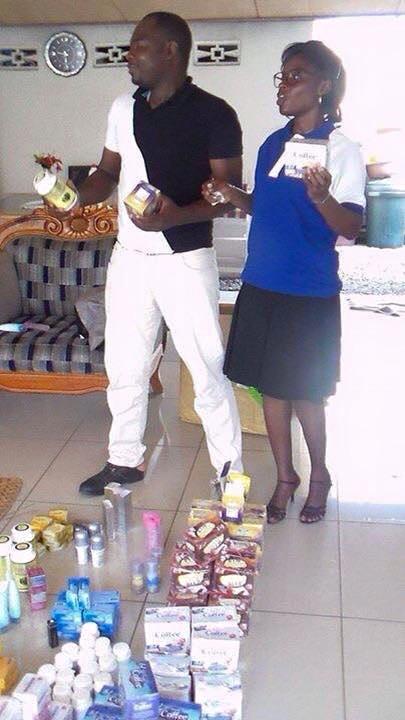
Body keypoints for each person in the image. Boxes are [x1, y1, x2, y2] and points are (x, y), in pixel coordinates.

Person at [76, 11, 243, 496]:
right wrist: (76, 196)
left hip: (184, 259)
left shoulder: (214, 113)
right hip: (130, 256)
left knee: (205, 368)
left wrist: (175, 217)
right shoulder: (121, 108)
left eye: (138, 45)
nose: (128, 54)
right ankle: (124, 460)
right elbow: (107, 173)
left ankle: (229, 472)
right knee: (125, 366)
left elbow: (228, 197)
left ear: (170, 51)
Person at [203, 41, 366, 524]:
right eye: (282, 76)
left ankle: (320, 475)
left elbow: (352, 225)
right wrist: (231, 193)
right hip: (261, 282)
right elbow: (264, 206)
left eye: (296, 76)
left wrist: (322, 197)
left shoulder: (341, 150)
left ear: (323, 86)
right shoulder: (272, 144)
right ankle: (285, 476)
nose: (284, 85)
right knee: (271, 389)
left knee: (306, 393)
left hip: (308, 289)